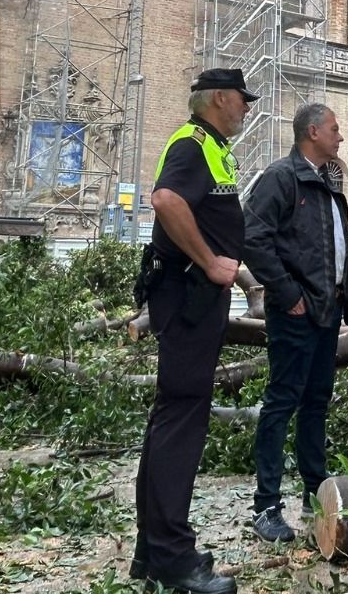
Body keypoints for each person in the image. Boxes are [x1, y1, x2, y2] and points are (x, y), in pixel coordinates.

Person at [131, 69, 255, 594]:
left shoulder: (212, 148)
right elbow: (166, 201)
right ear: (220, 99)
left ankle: (152, 550)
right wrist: (209, 262)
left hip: (193, 300)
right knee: (181, 420)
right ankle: (174, 560)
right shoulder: (192, 142)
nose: (246, 109)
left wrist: (238, 274)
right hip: (186, 298)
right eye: (241, 101)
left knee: (173, 419)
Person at [241, 103, 348, 543]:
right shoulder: (282, 178)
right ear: (312, 132)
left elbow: (333, 245)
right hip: (296, 313)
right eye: (334, 128)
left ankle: (316, 492)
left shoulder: (325, 182)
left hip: (325, 312)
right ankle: (266, 507)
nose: (340, 136)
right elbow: (252, 235)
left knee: (316, 401)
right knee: (281, 402)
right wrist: (286, 292)